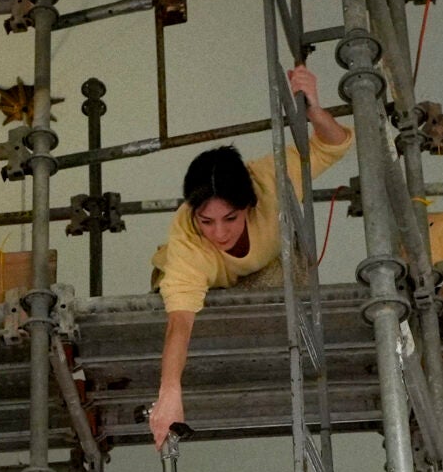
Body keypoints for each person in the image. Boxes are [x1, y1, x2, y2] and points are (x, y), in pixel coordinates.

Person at [147, 65, 353, 448]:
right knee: (185, 311)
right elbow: (180, 323)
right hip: (207, 288)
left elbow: (334, 144)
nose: (219, 232)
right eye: (206, 221)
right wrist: (170, 390)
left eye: (231, 218)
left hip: (265, 272)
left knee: (293, 281)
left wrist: (316, 112)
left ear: (249, 205)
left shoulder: (270, 179)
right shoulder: (188, 244)